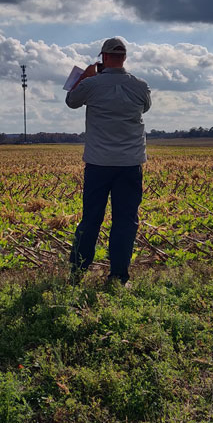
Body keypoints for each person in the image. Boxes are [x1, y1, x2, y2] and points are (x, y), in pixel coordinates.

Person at [65, 37, 151, 284]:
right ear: (124, 57)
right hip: (130, 163)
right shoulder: (140, 86)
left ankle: (77, 273)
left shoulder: (92, 84)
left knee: (91, 219)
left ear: (103, 57)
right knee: (125, 221)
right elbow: (145, 108)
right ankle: (119, 277)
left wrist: (86, 76)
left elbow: (71, 101)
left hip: (98, 164)